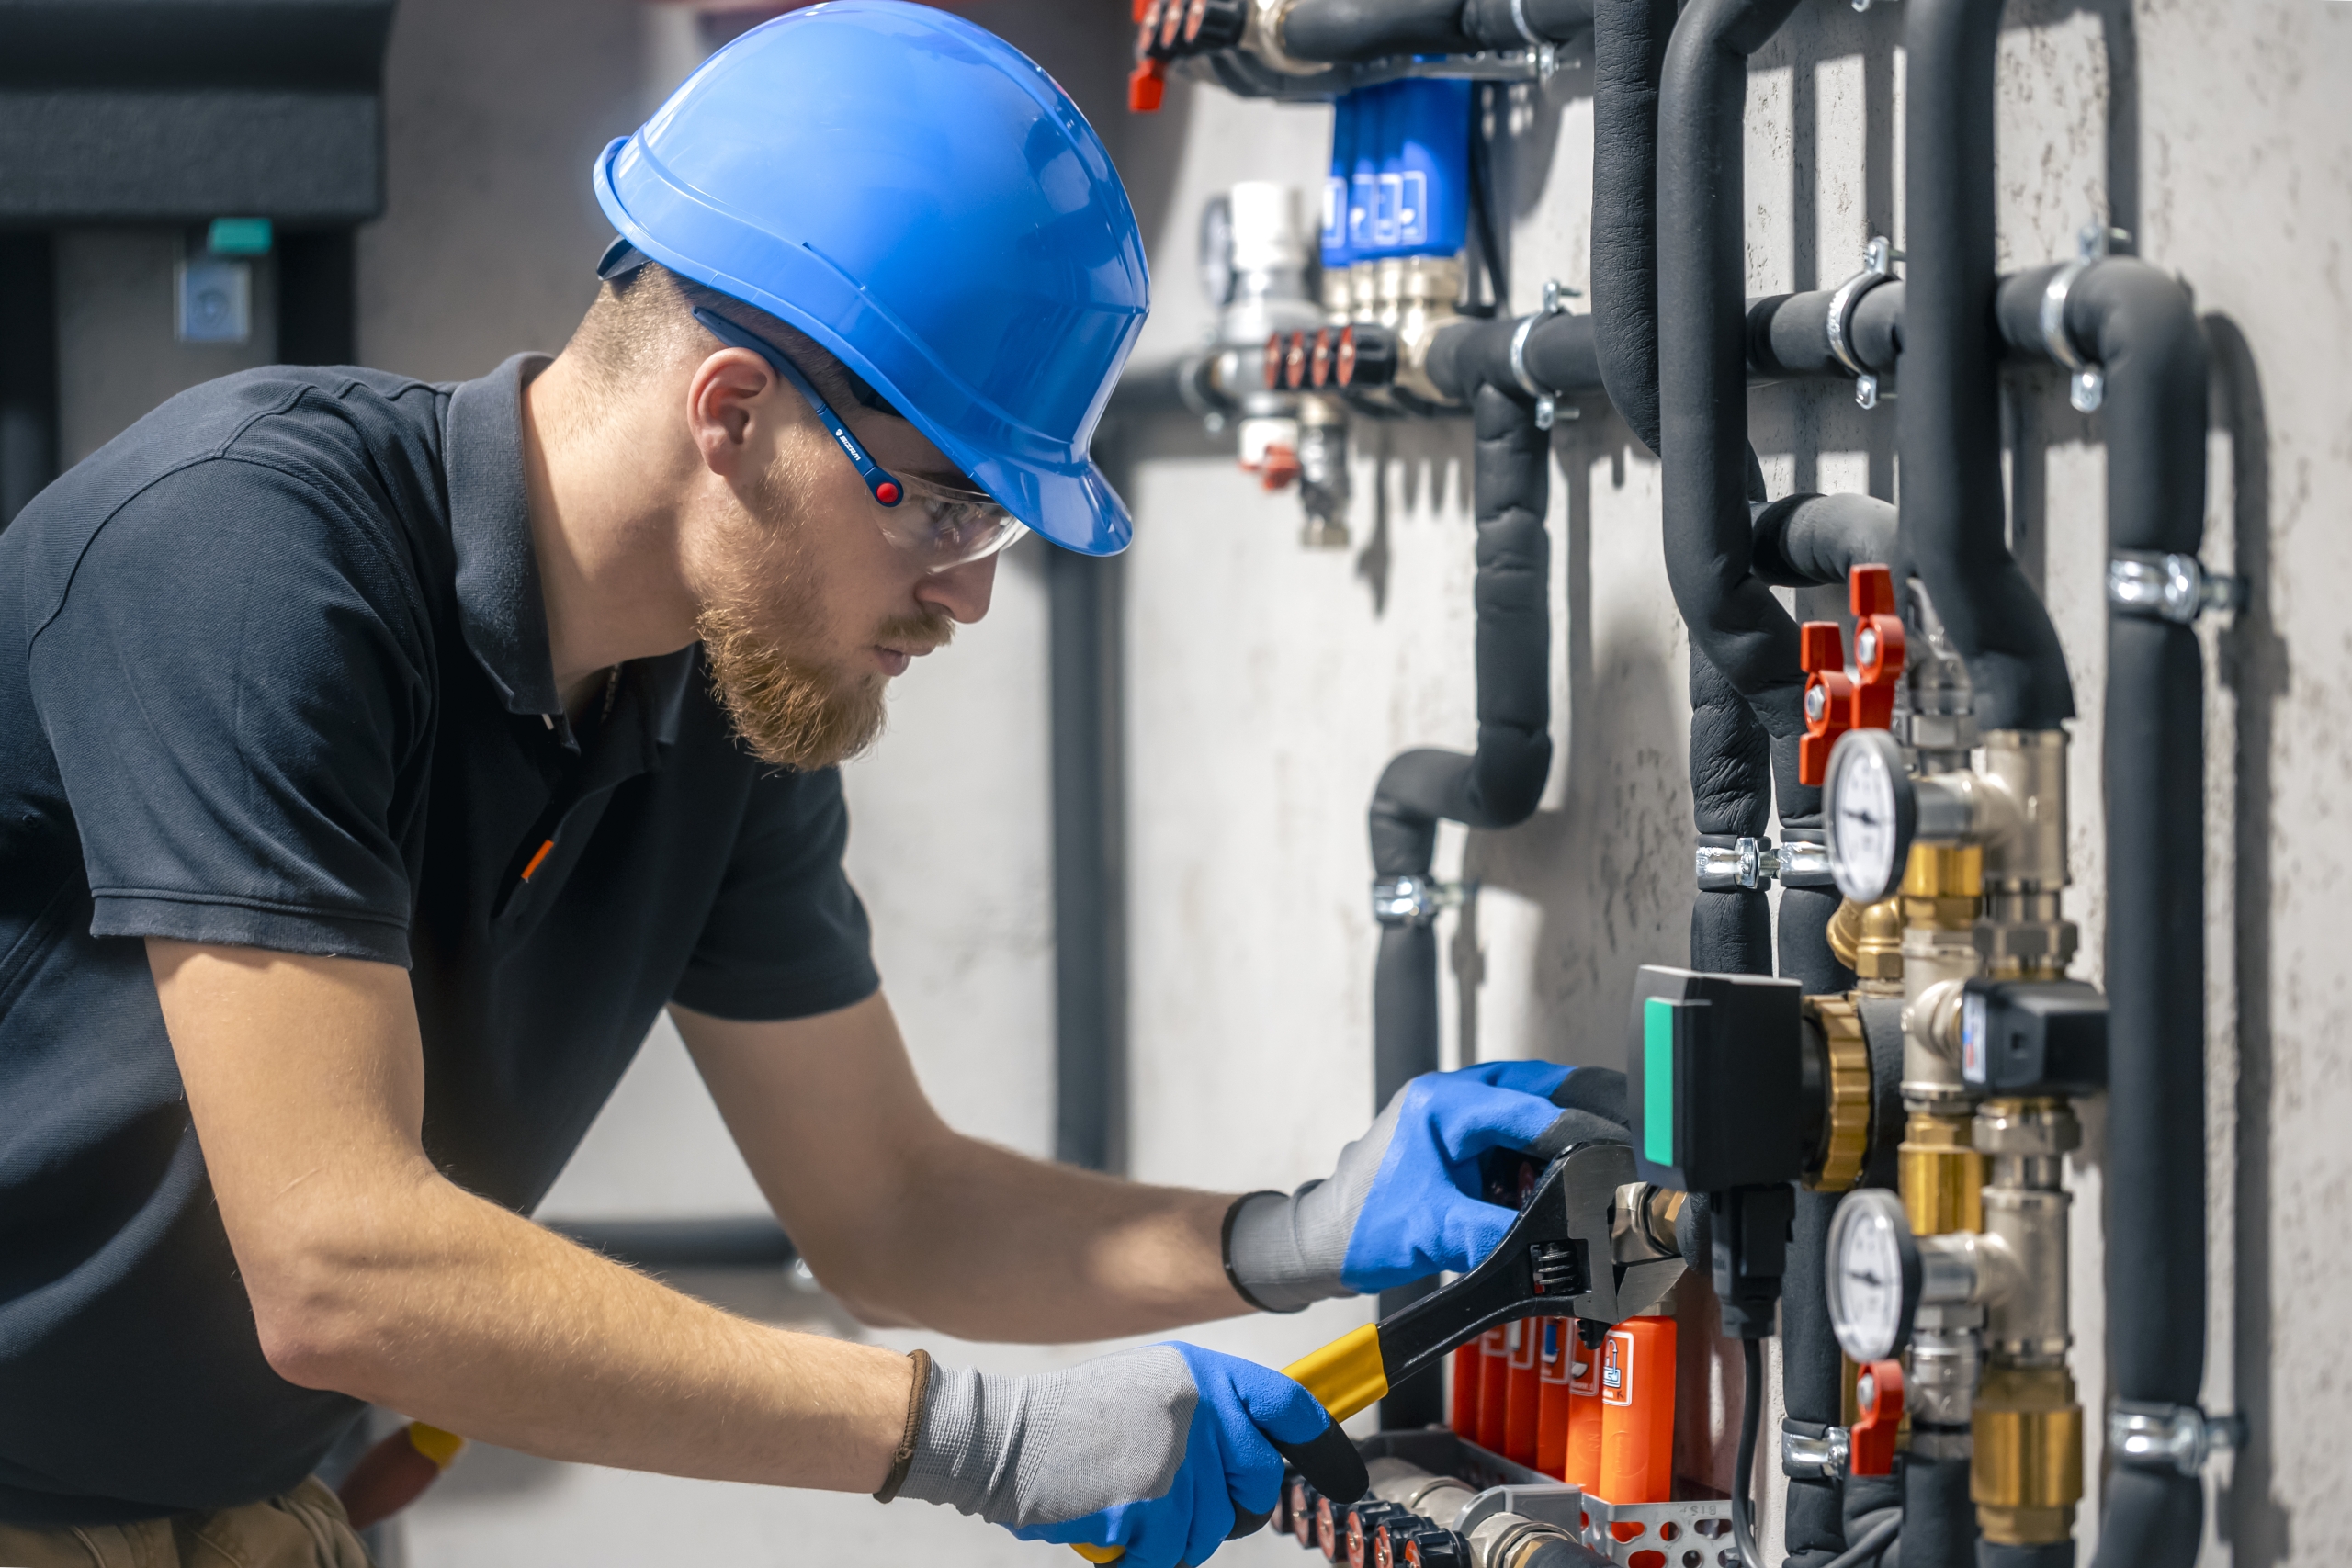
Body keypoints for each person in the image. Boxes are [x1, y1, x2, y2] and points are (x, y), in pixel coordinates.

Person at [0, 6, 1626, 1564]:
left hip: (241, 1509)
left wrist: (1288, 1235)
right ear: (733, 414)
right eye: (943, 508)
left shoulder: (726, 698)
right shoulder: (253, 559)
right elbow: (340, 1264)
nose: (972, 592)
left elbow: (887, 1207)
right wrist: (983, 1440)